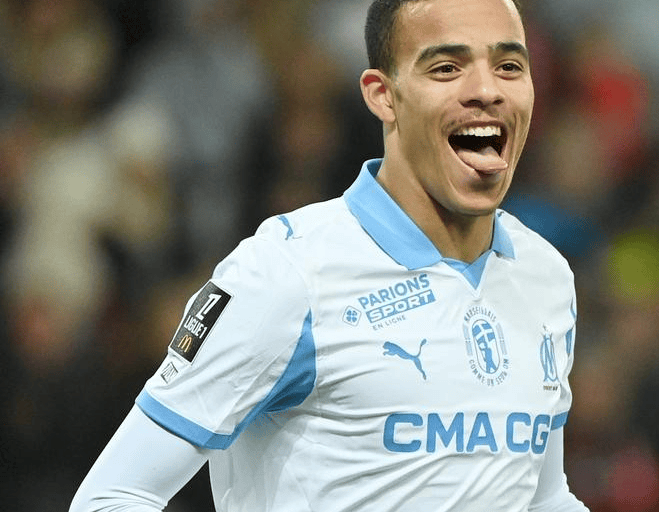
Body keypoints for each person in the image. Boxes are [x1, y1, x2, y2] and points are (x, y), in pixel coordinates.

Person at [70, 0, 590, 510]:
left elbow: (542, 497)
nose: (486, 90)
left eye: (509, 66)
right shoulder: (285, 273)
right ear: (383, 96)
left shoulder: (545, 275)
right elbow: (111, 497)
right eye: (447, 68)